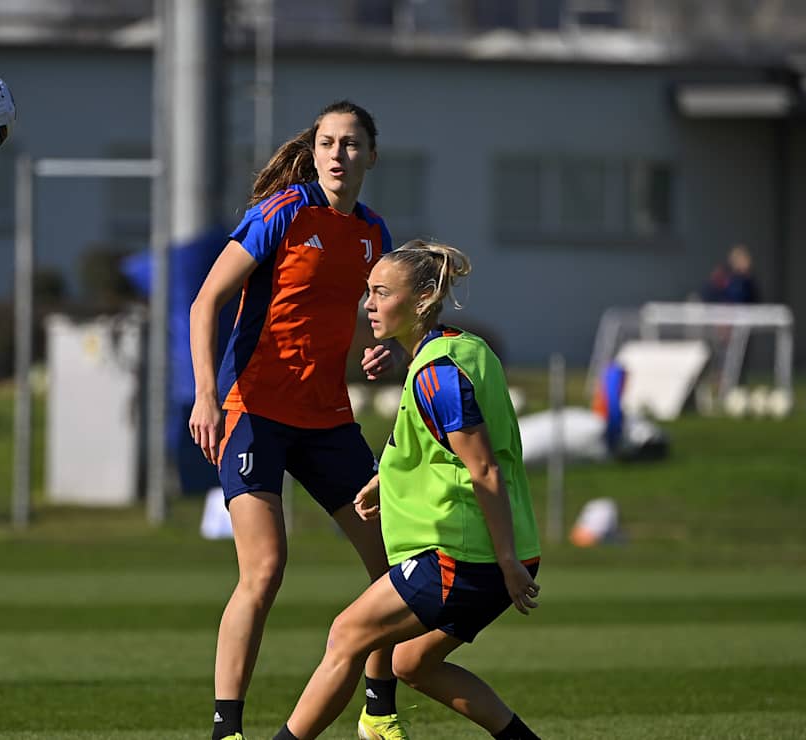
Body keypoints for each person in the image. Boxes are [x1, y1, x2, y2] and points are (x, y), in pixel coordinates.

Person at [188, 100, 407, 740]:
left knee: (393, 564)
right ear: (314, 153)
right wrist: (206, 395)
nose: (340, 154)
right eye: (329, 143)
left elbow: (388, 317)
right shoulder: (282, 213)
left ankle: (379, 710)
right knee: (264, 569)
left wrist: (389, 345)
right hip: (254, 411)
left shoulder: (375, 234)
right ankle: (227, 730)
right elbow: (205, 303)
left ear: (371, 155)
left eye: (352, 144)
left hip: (327, 418)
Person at [271, 240, 543, 740]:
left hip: (463, 555)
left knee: (346, 635)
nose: (368, 304)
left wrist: (504, 561)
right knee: (413, 663)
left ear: (421, 300)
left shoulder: (436, 374)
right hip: (504, 552)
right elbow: (441, 447)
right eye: (368, 293)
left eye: (381, 293)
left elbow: (483, 469)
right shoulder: (465, 348)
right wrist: (386, 478)